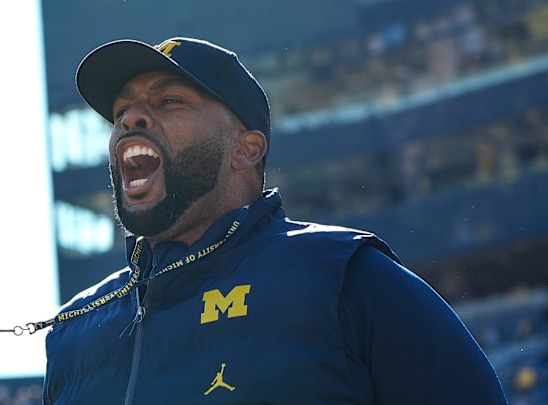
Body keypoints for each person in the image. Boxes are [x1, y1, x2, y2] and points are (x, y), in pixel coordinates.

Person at [42, 36, 508, 404]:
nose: (130, 120)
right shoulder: (74, 329)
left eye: (169, 102)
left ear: (246, 150)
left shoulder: (345, 275)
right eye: (122, 111)